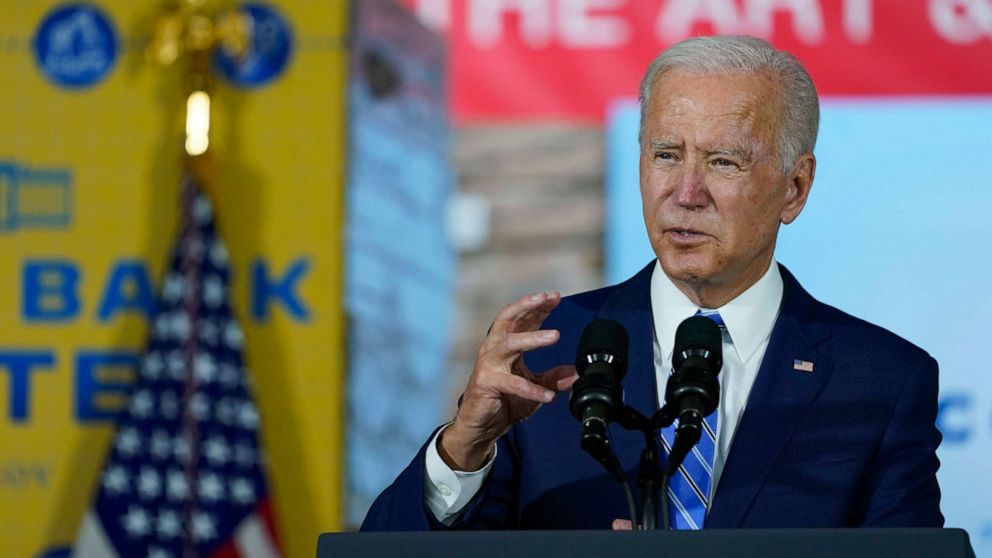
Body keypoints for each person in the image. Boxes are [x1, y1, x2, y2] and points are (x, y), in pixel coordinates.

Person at [361, 35, 943, 531]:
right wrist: (463, 448)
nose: (685, 193)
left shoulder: (881, 381)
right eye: (666, 155)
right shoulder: (549, 348)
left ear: (794, 188)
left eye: (724, 162)